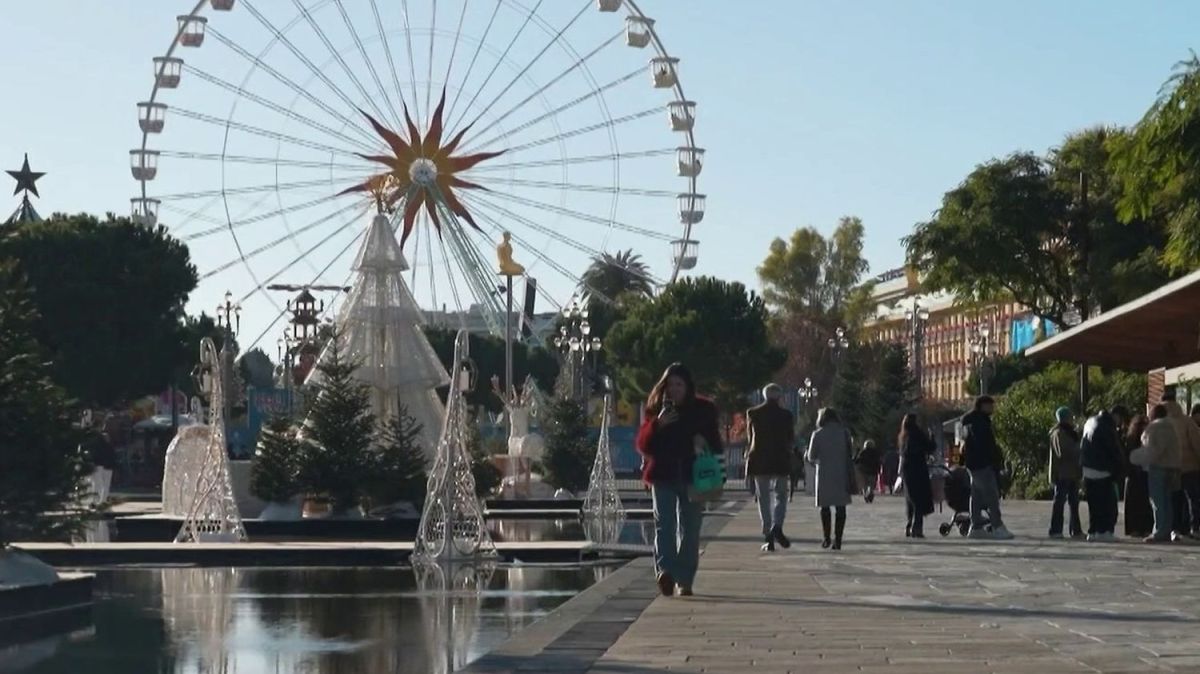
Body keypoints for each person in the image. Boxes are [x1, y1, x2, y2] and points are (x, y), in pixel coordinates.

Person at [635, 363, 722, 597]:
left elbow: (715, 444)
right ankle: (665, 572)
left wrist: (703, 445)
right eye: (670, 385)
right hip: (663, 475)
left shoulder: (703, 410)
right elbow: (644, 446)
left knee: (690, 529)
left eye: (679, 384)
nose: (674, 389)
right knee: (664, 525)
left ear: (687, 386)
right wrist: (657, 425)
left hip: (694, 476)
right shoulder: (656, 408)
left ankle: (684, 579)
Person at [745, 383, 796, 552]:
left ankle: (768, 533)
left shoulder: (753, 413)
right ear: (779, 396)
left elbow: (750, 437)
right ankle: (777, 526)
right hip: (780, 458)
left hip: (760, 459)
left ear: (764, 396)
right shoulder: (787, 415)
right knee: (781, 495)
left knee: (763, 497)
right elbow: (790, 438)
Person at [960, 396, 1013, 540]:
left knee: (976, 496)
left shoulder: (968, 420)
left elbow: (966, 442)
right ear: (982, 405)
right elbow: (984, 444)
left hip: (972, 464)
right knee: (991, 496)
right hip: (982, 464)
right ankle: (997, 526)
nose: (992, 408)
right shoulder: (979, 422)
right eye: (990, 405)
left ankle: (976, 527)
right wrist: (994, 457)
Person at [804, 408, 854, 550]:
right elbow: (850, 453)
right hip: (842, 473)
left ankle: (826, 537)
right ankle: (838, 539)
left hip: (824, 474)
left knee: (824, 507)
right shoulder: (844, 433)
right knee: (841, 508)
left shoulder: (817, 434)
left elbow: (811, 457)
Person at [1080, 406, 1127, 542]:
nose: (1120, 424)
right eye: (1121, 420)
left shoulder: (1090, 421)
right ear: (1117, 416)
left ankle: (1093, 531)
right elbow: (1113, 449)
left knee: (1093, 503)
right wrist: (1120, 467)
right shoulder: (1106, 426)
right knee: (1107, 503)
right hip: (1102, 469)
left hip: (1087, 468)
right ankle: (1104, 531)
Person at [1137, 404, 1180, 543]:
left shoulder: (1155, 427)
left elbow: (1154, 448)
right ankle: (1166, 529)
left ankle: (1159, 531)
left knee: (1158, 501)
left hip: (1158, 467)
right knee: (1167, 501)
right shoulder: (1171, 427)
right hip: (1171, 467)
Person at [1162, 391, 1200, 539]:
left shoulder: (1159, 421)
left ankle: (1175, 529)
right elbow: (1196, 443)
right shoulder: (1186, 421)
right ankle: (1194, 528)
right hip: (1190, 466)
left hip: (1170, 467)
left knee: (1174, 500)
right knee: (1193, 499)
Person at [1048, 407, 1083, 539]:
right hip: (1062, 473)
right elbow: (1062, 452)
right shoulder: (1058, 433)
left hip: (1072, 473)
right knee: (1059, 503)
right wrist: (1078, 448)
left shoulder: (1071, 433)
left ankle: (1076, 530)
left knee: (1074, 503)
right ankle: (1055, 530)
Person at [898, 414, 935, 538]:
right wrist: (931, 436)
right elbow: (930, 447)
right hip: (918, 470)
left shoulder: (903, 436)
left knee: (910, 499)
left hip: (907, 470)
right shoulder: (917, 434)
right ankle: (917, 527)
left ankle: (909, 525)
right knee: (919, 500)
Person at [1123, 414, 1154, 538]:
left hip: (1137, 474)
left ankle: (1138, 528)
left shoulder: (1131, 439)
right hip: (1138, 473)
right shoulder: (1134, 439)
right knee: (1140, 502)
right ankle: (1141, 528)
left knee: (1138, 503)